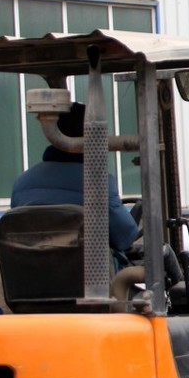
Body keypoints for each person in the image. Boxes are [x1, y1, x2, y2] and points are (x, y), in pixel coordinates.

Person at [10, 102, 140, 268]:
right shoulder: (99, 183)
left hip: (33, 277)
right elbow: (125, 237)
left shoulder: (21, 185)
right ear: (91, 137)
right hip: (89, 282)